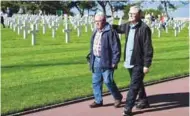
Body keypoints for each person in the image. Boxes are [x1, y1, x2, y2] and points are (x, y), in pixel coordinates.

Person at [112, 6, 153, 116]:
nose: (130, 15)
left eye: (133, 14)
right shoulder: (128, 25)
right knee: (138, 83)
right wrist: (108, 26)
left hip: (138, 62)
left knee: (133, 86)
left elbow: (148, 47)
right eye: (130, 13)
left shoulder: (144, 28)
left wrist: (146, 64)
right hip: (129, 60)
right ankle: (143, 100)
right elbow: (119, 28)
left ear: (139, 14)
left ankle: (127, 109)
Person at [87, 12, 123, 108]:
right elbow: (93, 45)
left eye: (99, 21)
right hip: (95, 59)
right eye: (96, 22)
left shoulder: (110, 32)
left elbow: (116, 48)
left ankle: (117, 97)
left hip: (107, 60)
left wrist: (115, 61)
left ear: (104, 21)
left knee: (108, 81)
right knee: (96, 81)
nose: (97, 23)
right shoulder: (95, 31)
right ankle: (98, 100)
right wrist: (91, 58)